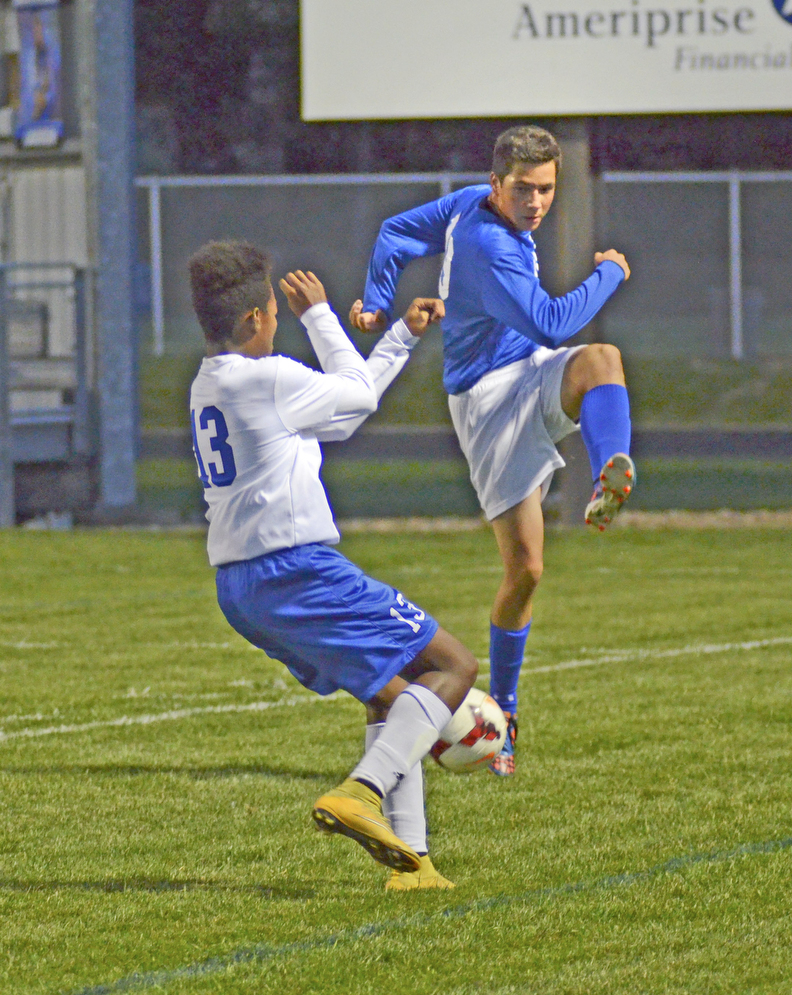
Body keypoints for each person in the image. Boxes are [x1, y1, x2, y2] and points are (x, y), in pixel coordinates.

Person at [188, 240, 478, 889]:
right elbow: (356, 397)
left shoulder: (212, 383)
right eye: (276, 314)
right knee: (453, 666)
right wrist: (321, 315)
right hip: (294, 569)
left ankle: (414, 864)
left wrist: (400, 336)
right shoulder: (264, 379)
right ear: (254, 321)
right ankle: (362, 790)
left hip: (242, 585)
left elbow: (342, 414)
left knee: (390, 693)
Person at [351, 125, 634, 777]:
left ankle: (610, 470)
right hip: (486, 405)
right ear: (495, 185)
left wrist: (374, 297)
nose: (537, 202)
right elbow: (554, 321)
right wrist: (610, 274)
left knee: (602, 360)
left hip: (526, 371)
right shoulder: (486, 244)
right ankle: (501, 717)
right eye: (525, 189)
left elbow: (396, 231)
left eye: (547, 189)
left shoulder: (462, 206)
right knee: (526, 570)